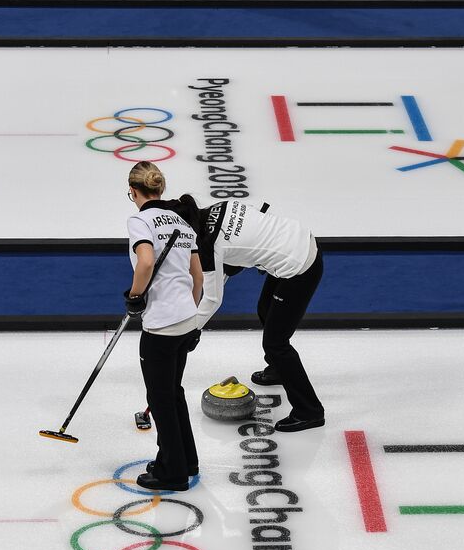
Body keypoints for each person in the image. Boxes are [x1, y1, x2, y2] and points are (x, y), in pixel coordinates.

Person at [176, 196, 325, 433]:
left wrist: (192, 329)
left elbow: (213, 299)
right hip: (296, 241)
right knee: (265, 309)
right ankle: (277, 370)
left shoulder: (207, 245)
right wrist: (231, 265)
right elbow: (252, 222)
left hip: (299, 266)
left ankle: (309, 411)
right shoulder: (219, 207)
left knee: (276, 342)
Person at [125, 161, 203, 491]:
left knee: (159, 399)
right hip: (187, 317)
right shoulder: (183, 222)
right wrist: (192, 312)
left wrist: (134, 296)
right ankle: (186, 458)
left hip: (161, 324)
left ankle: (172, 472)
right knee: (174, 392)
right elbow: (197, 276)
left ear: (134, 192)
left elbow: (145, 261)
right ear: (161, 188)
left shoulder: (140, 220)